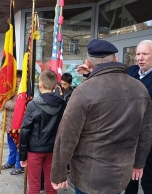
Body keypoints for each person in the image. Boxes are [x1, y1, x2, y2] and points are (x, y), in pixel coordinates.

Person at [50, 39, 152, 194]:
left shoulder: (83, 91)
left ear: (88, 63)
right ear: (116, 59)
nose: (140, 57)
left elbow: (66, 137)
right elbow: (146, 132)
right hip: (120, 175)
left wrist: (58, 173)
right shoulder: (140, 88)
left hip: (89, 178)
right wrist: (139, 163)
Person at [19, 70, 66, 194]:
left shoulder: (33, 104)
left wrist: (22, 155)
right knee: (52, 186)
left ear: (40, 85)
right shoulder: (62, 104)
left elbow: (25, 131)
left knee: (34, 187)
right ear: (55, 87)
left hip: (35, 150)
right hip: (53, 149)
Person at [124, 40, 152, 194]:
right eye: (138, 54)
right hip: (130, 136)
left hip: (149, 138)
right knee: (130, 179)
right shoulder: (131, 71)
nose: (140, 58)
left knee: (148, 180)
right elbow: (113, 83)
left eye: (145, 54)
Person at [1, 70, 24, 175]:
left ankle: (19, 165)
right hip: (8, 122)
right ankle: (11, 162)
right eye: (16, 78)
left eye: (19, 78)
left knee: (18, 144)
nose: (18, 80)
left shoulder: (22, 91)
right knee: (11, 144)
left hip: (17, 122)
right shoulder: (10, 90)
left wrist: (5, 102)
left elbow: (17, 105)